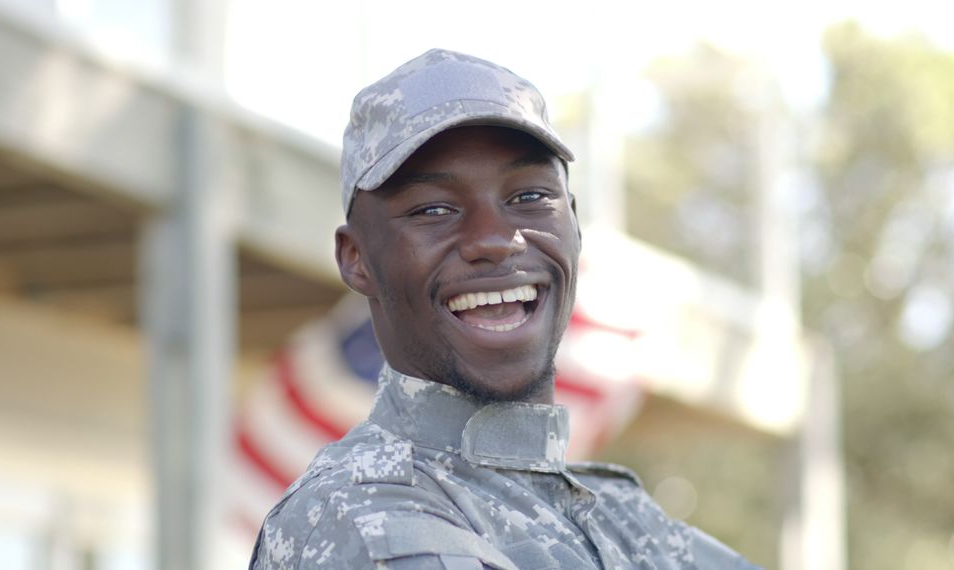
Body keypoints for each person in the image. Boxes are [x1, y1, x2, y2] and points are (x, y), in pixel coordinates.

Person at [249, 48, 760, 570]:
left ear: (575, 226)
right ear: (356, 259)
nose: (496, 239)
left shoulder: (628, 521)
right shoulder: (357, 517)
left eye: (529, 197)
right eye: (434, 209)